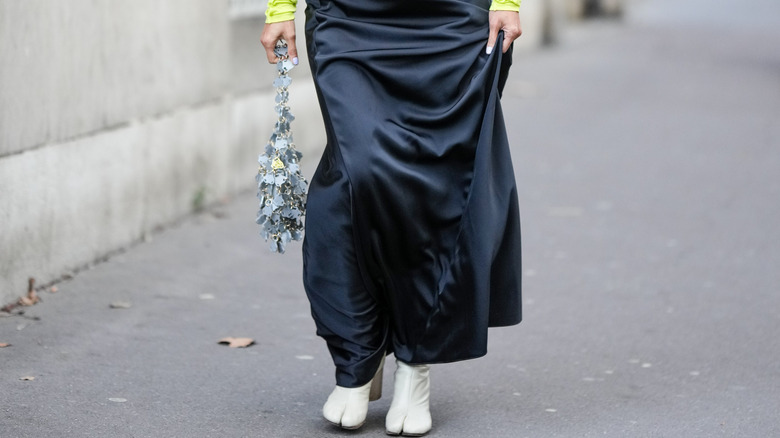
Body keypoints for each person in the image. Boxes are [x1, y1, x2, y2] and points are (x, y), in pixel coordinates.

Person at [261, 0, 523, 435]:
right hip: (348, 17)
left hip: (450, 19)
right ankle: (357, 351)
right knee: (357, 173)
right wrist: (279, 8)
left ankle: (415, 359)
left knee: (430, 189)